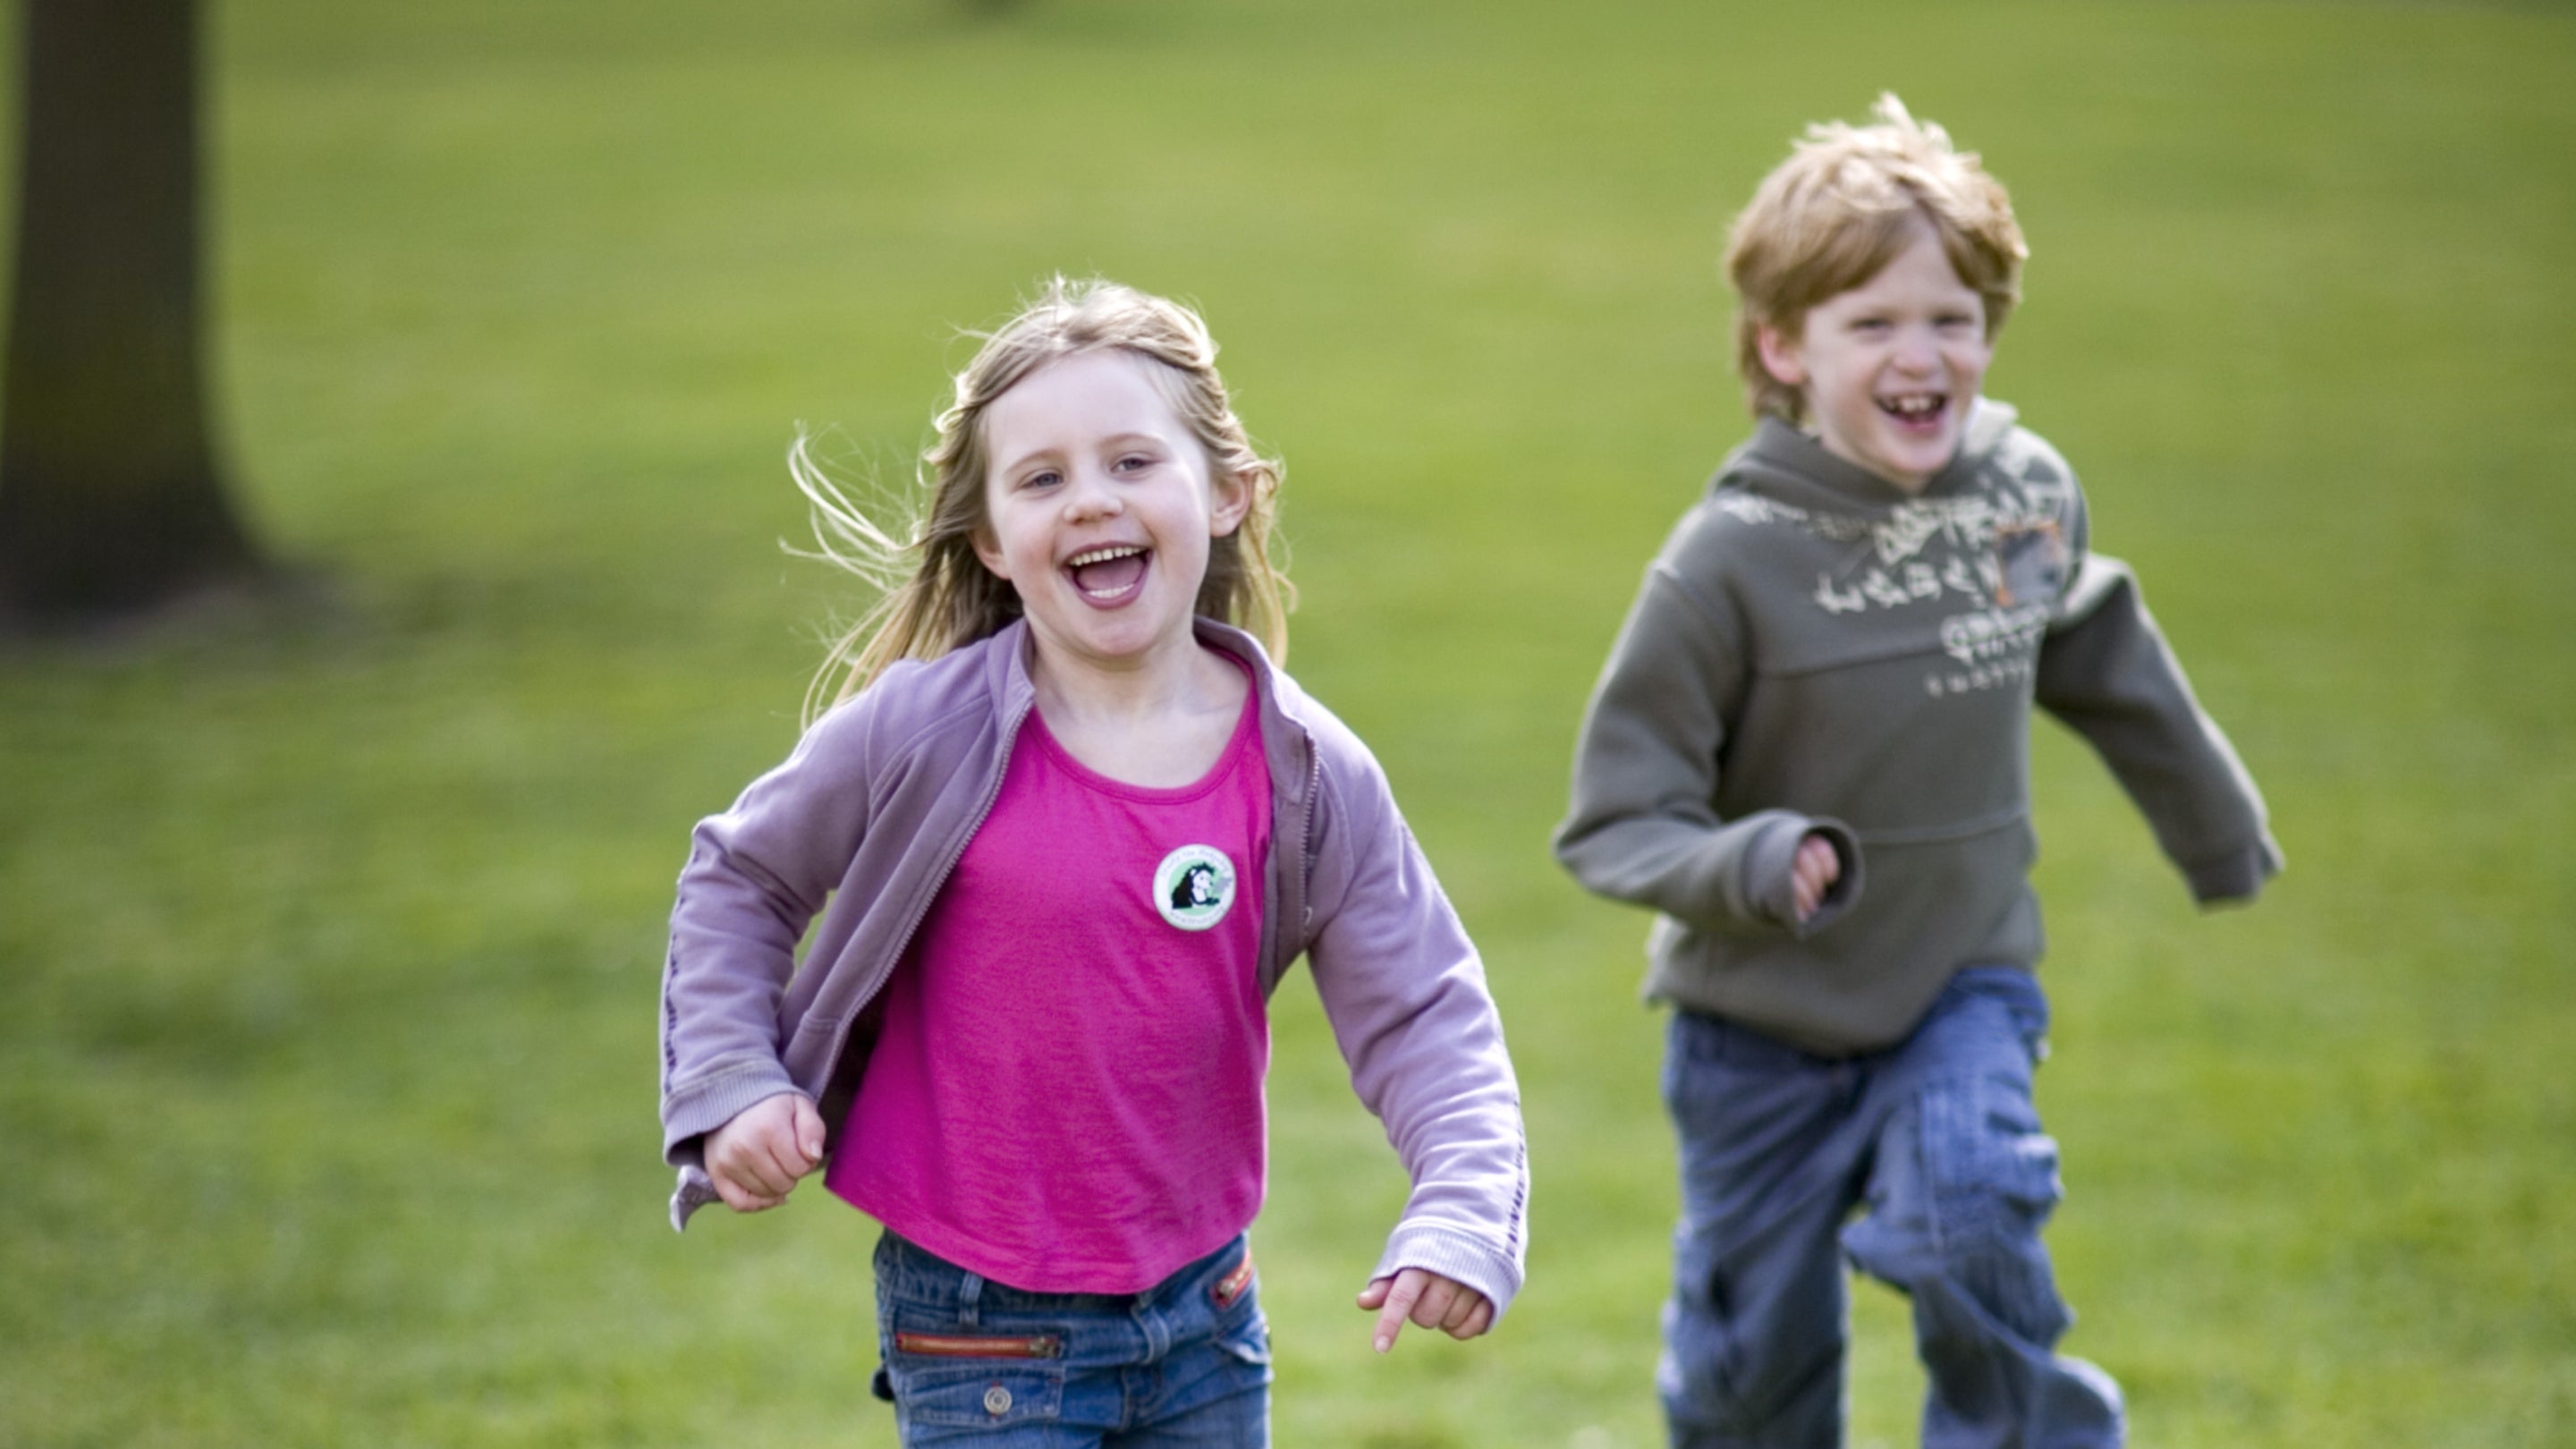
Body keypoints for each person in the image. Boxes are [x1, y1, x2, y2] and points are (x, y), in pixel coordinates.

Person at [659, 277, 1528, 1446]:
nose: (1089, 502)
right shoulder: (923, 729)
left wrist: (1466, 1209)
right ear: (992, 539)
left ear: (1225, 492)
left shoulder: (1305, 770)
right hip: (979, 1330)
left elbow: (1428, 1009)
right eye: (1042, 478)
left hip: (1205, 1317)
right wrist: (733, 1078)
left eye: (1131, 462)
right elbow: (743, 879)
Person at [1554, 96, 2279, 1449]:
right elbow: (1614, 819)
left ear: (1992, 328)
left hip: (1960, 981)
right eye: (1871, 324)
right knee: (1748, 1379)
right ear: (1783, 347)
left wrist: (2217, 831)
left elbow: (2087, 637)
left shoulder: (2021, 491)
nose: (1921, 354)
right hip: (1754, 1031)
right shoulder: (1728, 562)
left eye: (1952, 318)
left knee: (1973, 1218)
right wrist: (1754, 863)